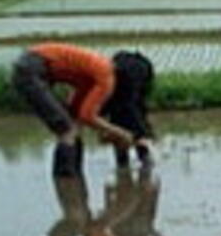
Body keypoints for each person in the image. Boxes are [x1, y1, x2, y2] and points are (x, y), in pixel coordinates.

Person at [11, 43, 156, 174]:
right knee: (68, 131)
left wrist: (105, 131)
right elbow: (87, 116)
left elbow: (77, 110)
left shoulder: (95, 76)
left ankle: (74, 181)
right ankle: (67, 184)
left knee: (71, 127)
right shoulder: (106, 77)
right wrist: (121, 134)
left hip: (30, 65)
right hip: (32, 69)